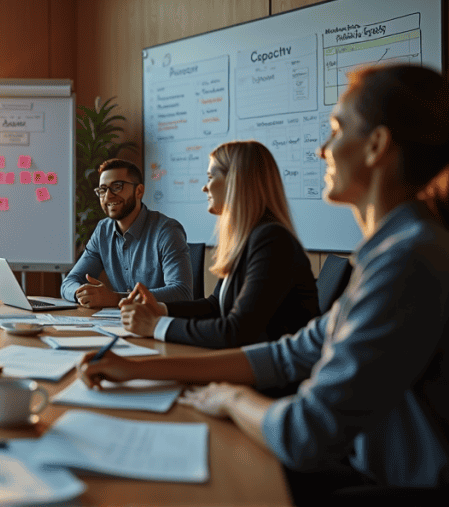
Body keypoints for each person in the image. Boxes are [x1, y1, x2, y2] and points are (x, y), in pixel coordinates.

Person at [81, 64, 449, 501]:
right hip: (369, 465)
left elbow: (304, 434)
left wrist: (231, 399)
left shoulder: (408, 258)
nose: (322, 150)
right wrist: (137, 369)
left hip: (398, 486)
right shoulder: (393, 250)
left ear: (376, 145)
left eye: (336, 129)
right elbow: (285, 353)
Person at [118, 141, 319, 348]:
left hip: (277, 376)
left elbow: (237, 331)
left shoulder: (272, 241)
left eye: (211, 177)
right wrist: (161, 309)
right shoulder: (248, 238)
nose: (205, 187)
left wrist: (156, 326)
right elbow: (216, 306)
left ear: (236, 182)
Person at [61, 158, 193, 308]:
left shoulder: (167, 231)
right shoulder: (103, 231)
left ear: (139, 191)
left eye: (117, 186)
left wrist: (117, 299)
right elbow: (69, 282)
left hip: (158, 325)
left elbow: (182, 292)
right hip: (119, 323)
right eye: (102, 189)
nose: (108, 196)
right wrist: (83, 293)